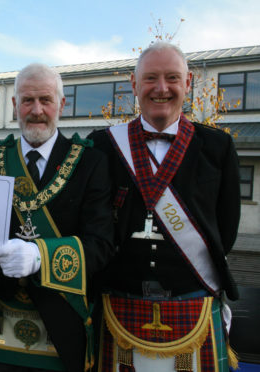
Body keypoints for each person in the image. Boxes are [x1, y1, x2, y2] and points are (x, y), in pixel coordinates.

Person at [0, 63, 114, 371]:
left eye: (46, 100)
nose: (37, 110)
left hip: (64, 329)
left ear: (62, 104)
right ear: (15, 105)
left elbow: (102, 246)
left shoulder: (91, 163)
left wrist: (40, 255)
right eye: (27, 100)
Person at [88, 42, 240, 372]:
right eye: (151, 78)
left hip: (193, 303)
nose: (161, 88)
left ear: (188, 84)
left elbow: (226, 228)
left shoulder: (218, 146)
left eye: (172, 78)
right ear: (133, 84)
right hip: (117, 303)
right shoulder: (101, 145)